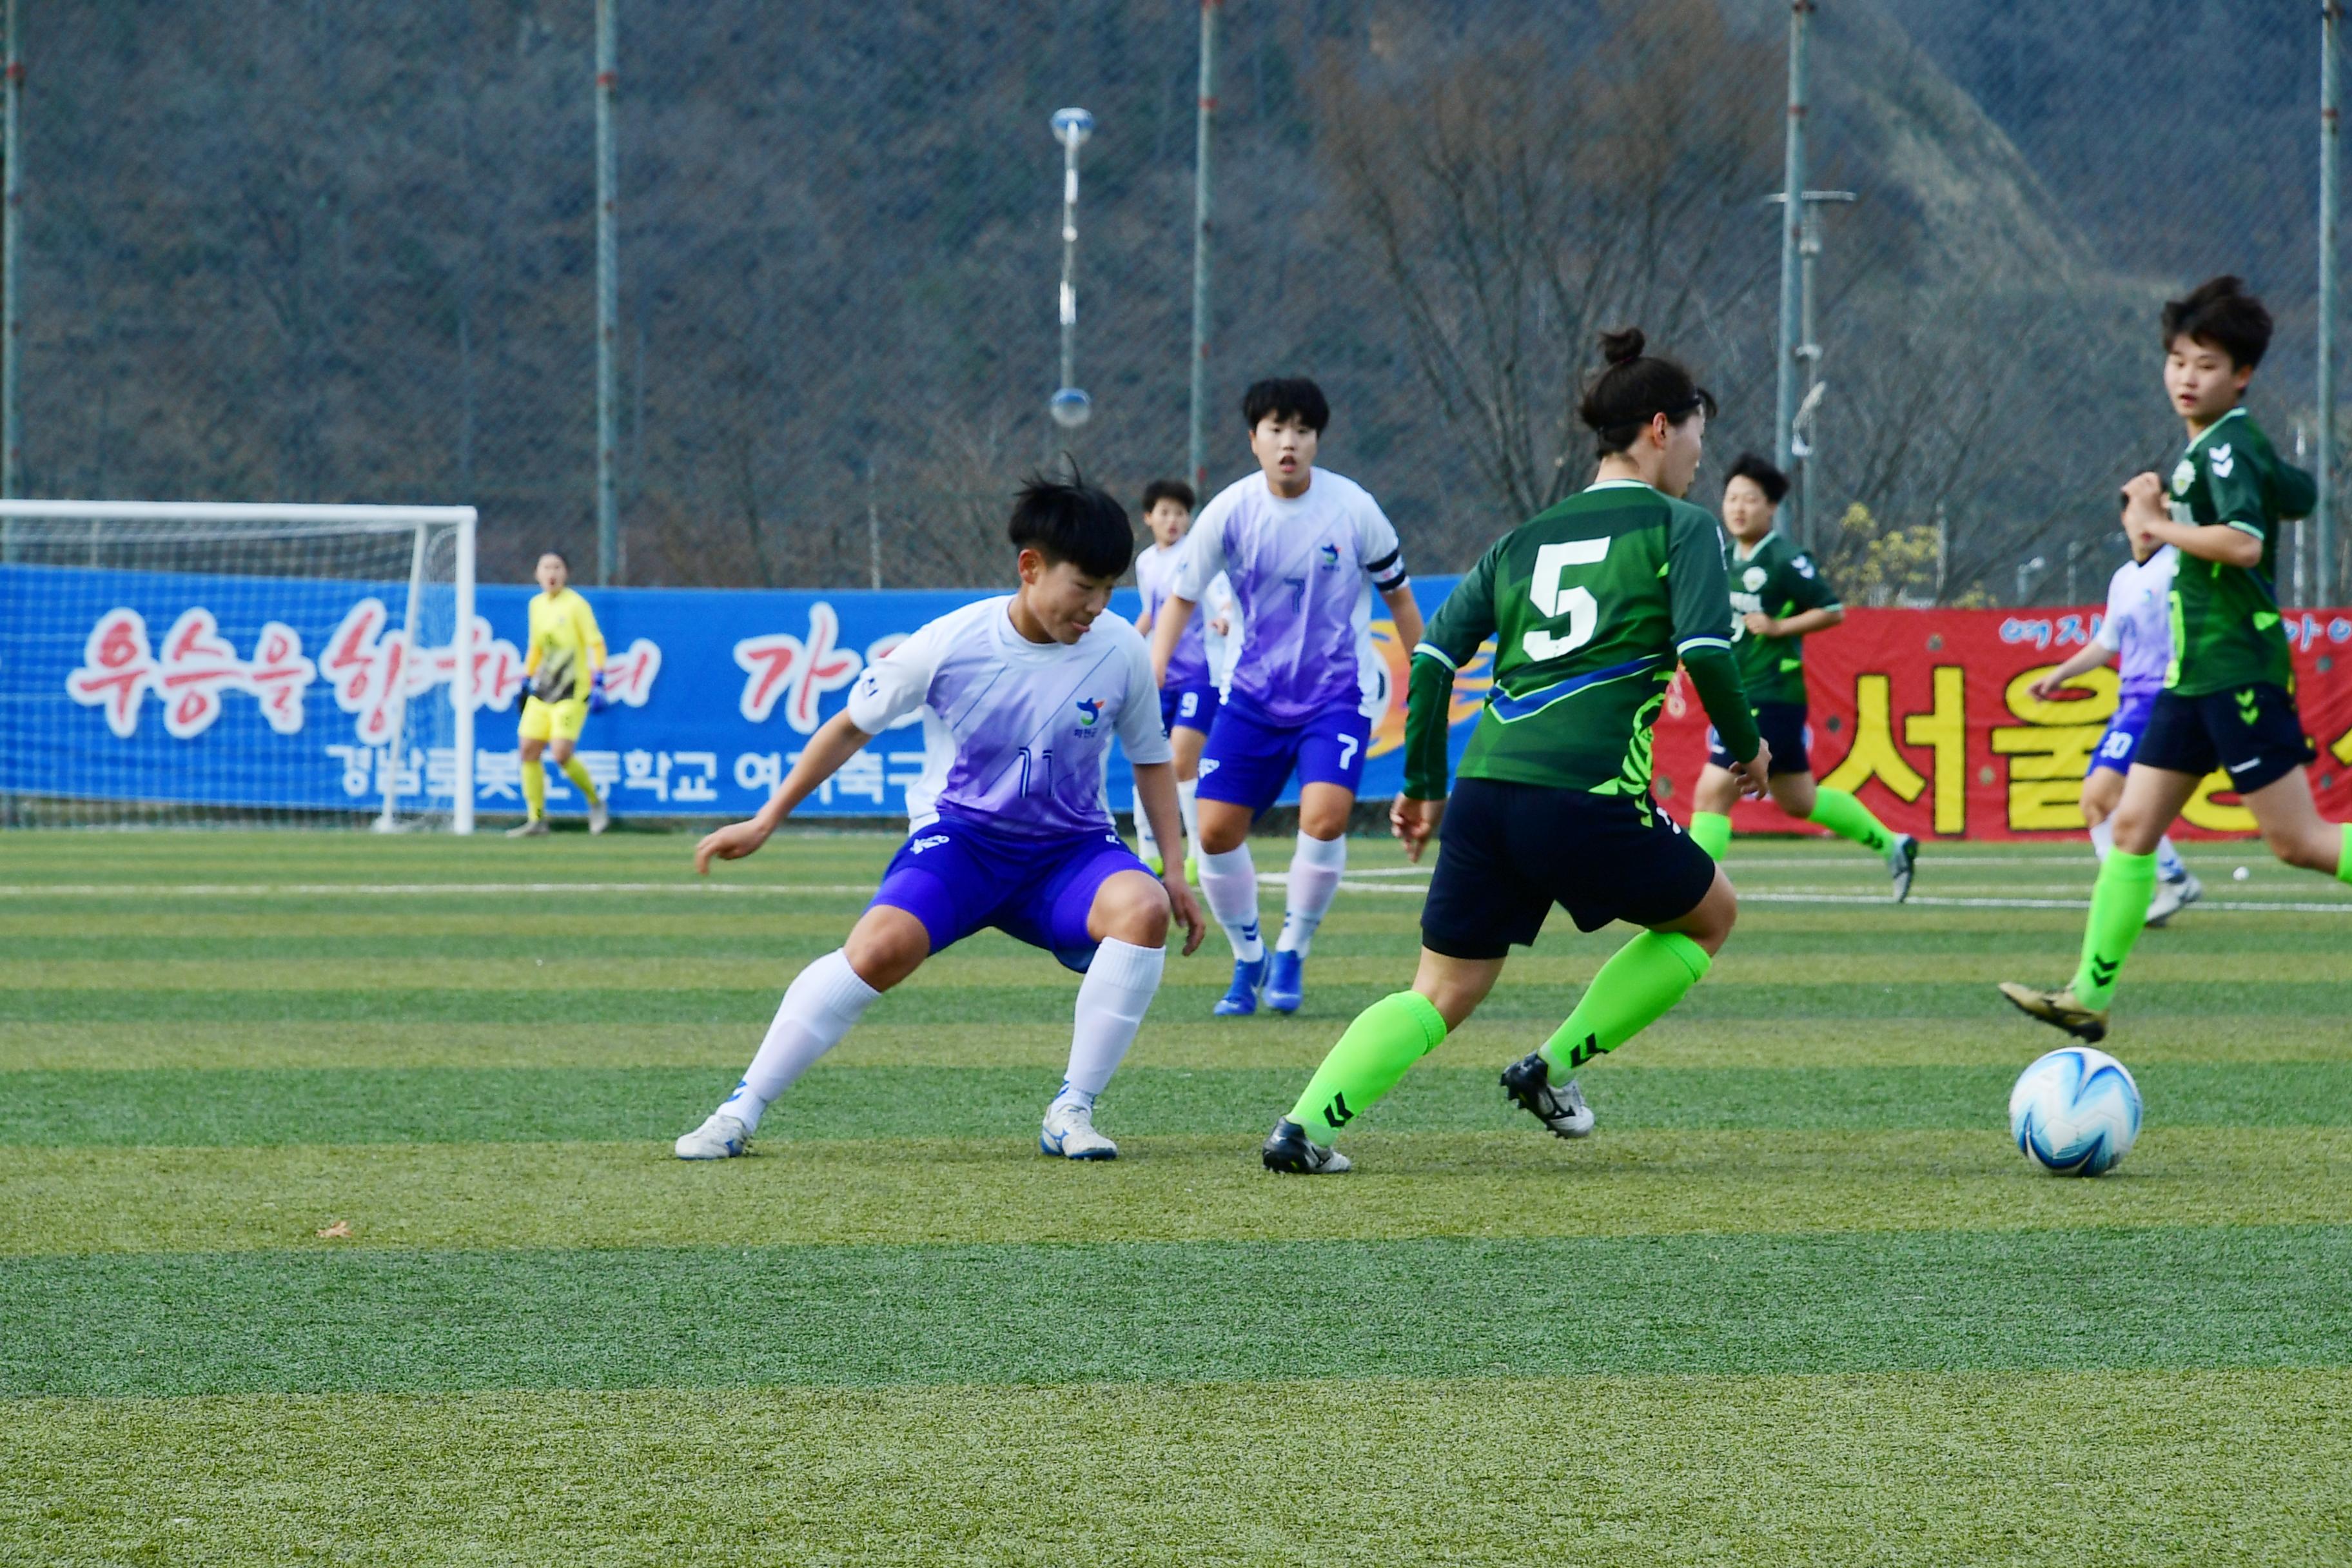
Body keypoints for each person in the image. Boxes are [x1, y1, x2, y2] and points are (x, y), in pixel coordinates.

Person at [1261, 328, 1770, 1173]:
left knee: (1442, 990)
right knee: (1711, 916)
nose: (1696, 461)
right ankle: (1553, 1067)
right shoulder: (1683, 529)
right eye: (1695, 440)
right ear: (1657, 428)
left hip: (1487, 789)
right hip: (1588, 794)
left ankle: (1304, 1128)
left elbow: (1428, 659)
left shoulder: (1523, 540)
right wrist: (1746, 747)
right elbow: (1710, 653)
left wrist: (1422, 785)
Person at [674, 473, 1206, 1162]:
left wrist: (1173, 865)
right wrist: (767, 817)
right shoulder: (951, 642)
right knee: (876, 949)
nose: (1097, 606)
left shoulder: (1121, 650)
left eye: (1110, 588)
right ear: (1031, 566)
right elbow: (848, 726)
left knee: (1143, 907)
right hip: (962, 843)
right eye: (1084, 586)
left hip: (1069, 852)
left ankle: (1072, 1110)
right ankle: (738, 1110)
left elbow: (1152, 760)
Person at [2002, 277, 2346, 1041]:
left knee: (2298, 842)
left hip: (2234, 668)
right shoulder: (2229, 445)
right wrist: (2195, 504)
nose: (2187, 378)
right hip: (2191, 679)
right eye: (2179, 361)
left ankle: (2089, 989)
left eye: (2208, 364)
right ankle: (2088, 994)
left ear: (2243, 375)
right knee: (2130, 828)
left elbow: (2247, 542)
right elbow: (2300, 494)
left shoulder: (2222, 446)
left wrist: (2160, 522)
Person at [1148, 378, 1425, 1016]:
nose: (1289, 442)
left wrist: (1430, 675)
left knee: (1324, 817)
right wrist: (1152, 673)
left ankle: (1294, 947)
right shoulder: (1229, 511)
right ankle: (1250, 960)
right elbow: (1181, 599)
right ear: (1254, 440)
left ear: (1317, 439)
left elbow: (1401, 599)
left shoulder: (1354, 508)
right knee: (1214, 832)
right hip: (1250, 699)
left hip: (1336, 697)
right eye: (1276, 429)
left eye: (1302, 430)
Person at [1685, 454, 1918, 897]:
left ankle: (1692, 894)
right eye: (1732, 498)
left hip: (1770, 692)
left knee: (1713, 792)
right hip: (1739, 691)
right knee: (1800, 801)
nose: (1738, 508)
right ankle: (1895, 844)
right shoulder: (1722, 559)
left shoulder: (1786, 559)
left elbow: (1831, 609)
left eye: (1750, 499)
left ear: (1771, 507)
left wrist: (1779, 627)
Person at [2025, 510, 2202, 925]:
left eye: (2154, 512)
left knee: (2099, 798)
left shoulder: (2178, 564)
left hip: (2163, 696)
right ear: (2125, 520)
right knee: (2107, 805)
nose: (2142, 523)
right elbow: (2108, 643)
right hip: (2131, 700)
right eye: (2134, 513)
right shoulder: (2124, 577)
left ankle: (2131, 896)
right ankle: (2173, 879)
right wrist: (2059, 676)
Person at [1129, 478, 1237, 881]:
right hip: (1158, 678)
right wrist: (1126, 641)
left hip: (1199, 676)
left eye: (1180, 513)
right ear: (1149, 518)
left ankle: (1196, 853)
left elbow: (1224, 599)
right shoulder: (1145, 563)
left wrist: (1225, 619)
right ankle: (1148, 852)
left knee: (1180, 761)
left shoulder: (1199, 556)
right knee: (1148, 758)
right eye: (1165, 512)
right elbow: (1151, 613)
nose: (1173, 520)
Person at [508, 551, 609, 838]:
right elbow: (536, 647)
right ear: (537, 574)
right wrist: (526, 680)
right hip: (543, 690)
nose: (551, 573)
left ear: (566, 573)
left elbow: (596, 643)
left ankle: (594, 801)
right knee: (528, 750)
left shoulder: (576, 605)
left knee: (561, 753)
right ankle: (536, 819)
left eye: (557, 567)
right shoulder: (536, 605)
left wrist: (599, 680)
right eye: (546, 567)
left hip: (571, 692)